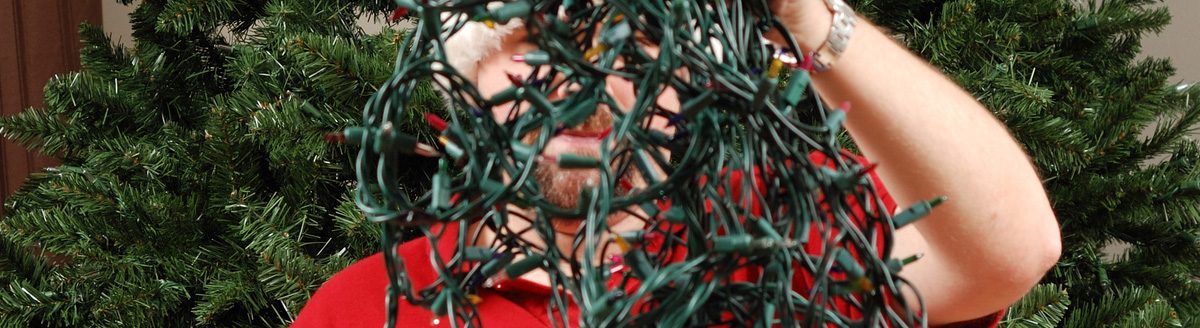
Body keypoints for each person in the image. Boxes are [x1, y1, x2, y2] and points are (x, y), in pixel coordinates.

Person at [294, 0, 1062, 326]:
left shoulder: (787, 252)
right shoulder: (359, 309)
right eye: (533, 42)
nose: (588, 86)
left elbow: (1010, 251)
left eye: (639, 40)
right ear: (466, 79)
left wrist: (806, 15)